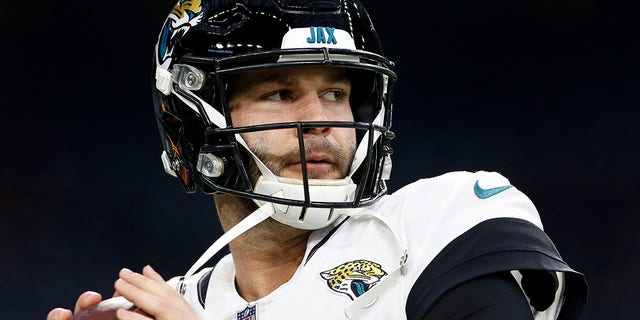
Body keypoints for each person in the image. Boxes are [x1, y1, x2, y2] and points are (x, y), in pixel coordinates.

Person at [47, 0, 587, 319]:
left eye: (336, 93)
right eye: (280, 94)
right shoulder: (175, 302)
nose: (323, 118)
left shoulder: (441, 223)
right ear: (193, 121)